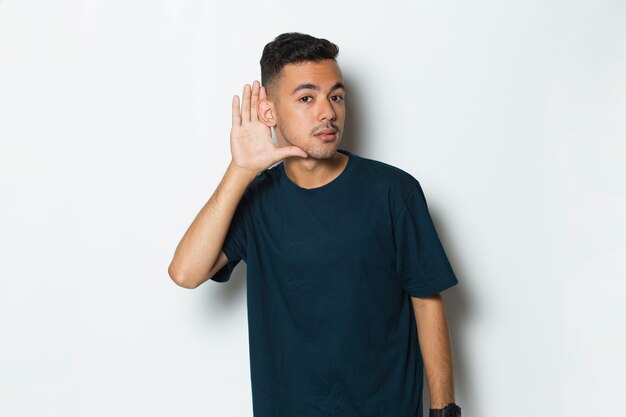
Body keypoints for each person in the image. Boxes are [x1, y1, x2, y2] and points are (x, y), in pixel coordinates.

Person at [168, 32, 462, 417]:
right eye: (307, 98)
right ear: (269, 112)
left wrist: (444, 412)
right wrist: (240, 170)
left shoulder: (393, 192)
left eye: (335, 96)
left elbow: (426, 301)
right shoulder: (257, 200)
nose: (328, 112)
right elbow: (186, 273)